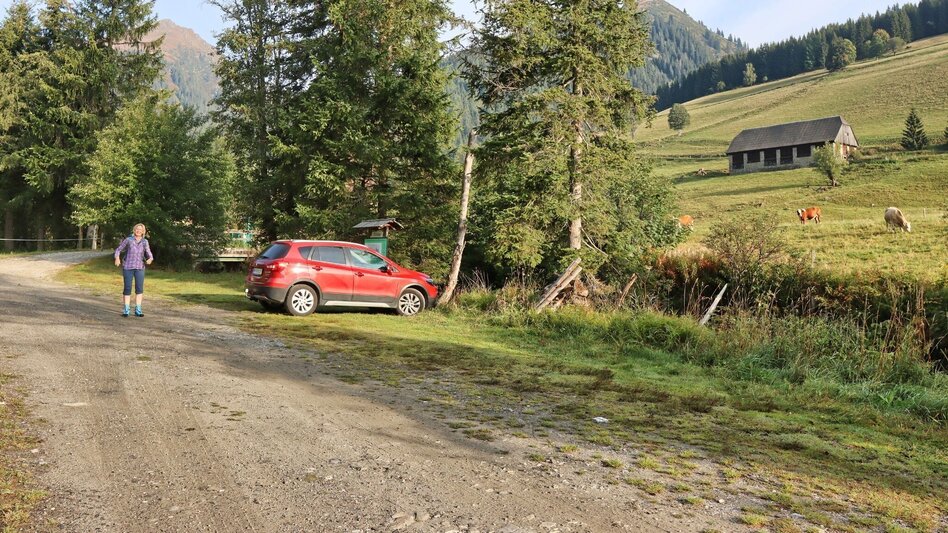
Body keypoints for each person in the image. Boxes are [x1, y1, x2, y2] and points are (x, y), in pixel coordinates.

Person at [114, 223, 154, 317]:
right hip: (128, 267)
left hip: (140, 268)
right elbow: (118, 250)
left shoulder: (145, 242)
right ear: (134, 230)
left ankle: (138, 310)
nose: (138, 230)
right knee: (127, 288)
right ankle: (126, 309)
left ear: (143, 231)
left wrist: (150, 259)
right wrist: (117, 258)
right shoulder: (129, 240)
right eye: (137, 229)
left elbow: (149, 254)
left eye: (140, 229)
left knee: (139, 289)